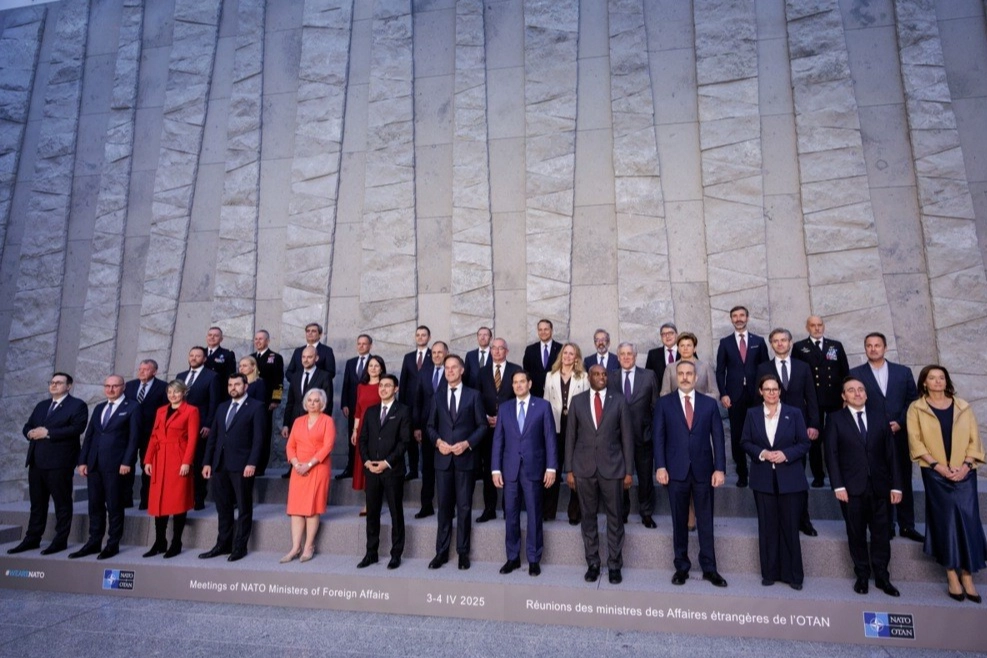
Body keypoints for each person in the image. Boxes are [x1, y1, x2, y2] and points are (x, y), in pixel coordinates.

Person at [907, 365, 986, 603]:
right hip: (935, 473)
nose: (938, 381)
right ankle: (952, 574)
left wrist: (965, 466)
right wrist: (939, 467)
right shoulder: (916, 408)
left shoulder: (963, 406)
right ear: (924, 382)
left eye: (941, 377)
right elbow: (916, 442)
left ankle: (967, 576)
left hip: (965, 472)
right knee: (946, 521)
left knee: (969, 520)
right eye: (932, 378)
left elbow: (974, 439)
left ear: (946, 381)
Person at [825, 377, 902, 597]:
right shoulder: (835, 419)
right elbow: (831, 454)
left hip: (880, 486)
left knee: (881, 534)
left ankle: (882, 576)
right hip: (851, 488)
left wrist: (896, 486)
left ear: (866, 394)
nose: (857, 393)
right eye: (851, 390)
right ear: (844, 396)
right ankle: (862, 575)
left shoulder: (880, 417)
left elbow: (892, 453)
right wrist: (838, 485)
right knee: (856, 533)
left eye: (861, 389)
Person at [654, 360, 728, 588]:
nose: (685, 377)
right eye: (681, 374)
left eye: (689, 374)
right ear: (676, 377)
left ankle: (710, 568)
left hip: (704, 471)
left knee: (706, 521)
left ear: (696, 378)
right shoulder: (664, 403)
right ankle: (681, 567)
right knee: (679, 522)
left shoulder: (709, 404)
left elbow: (718, 438)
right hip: (675, 471)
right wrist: (660, 466)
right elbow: (659, 437)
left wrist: (720, 468)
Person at [849, 332, 923, 542]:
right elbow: (853, 402)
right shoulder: (856, 374)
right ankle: (886, 525)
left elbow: (913, 402)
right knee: (880, 481)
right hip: (873, 438)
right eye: (869, 346)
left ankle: (907, 525)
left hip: (899, 435)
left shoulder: (903, 372)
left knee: (903, 479)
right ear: (865, 348)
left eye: (877, 345)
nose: (873, 349)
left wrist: (900, 422)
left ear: (885, 348)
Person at [740, 374, 810, 590]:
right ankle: (769, 573)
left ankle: (794, 576)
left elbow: (804, 443)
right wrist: (762, 453)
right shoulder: (752, 414)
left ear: (780, 391)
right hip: (763, 479)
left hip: (790, 478)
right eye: (767, 389)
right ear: (760, 392)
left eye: (775, 389)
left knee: (790, 527)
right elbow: (745, 442)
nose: (771, 392)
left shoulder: (794, 413)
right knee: (767, 527)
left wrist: (785, 454)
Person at [565, 364, 633, 584]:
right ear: (589, 377)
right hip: (583, 469)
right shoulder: (577, 401)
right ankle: (593, 563)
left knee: (615, 518)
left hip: (613, 468)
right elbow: (570, 437)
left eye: (604, 374)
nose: (601, 377)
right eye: (596, 374)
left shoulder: (619, 400)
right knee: (588, 517)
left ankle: (614, 565)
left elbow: (627, 438)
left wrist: (628, 471)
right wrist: (569, 470)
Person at [7, 373, 88, 556]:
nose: (54, 385)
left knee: (62, 503)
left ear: (69, 386)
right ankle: (32, 538)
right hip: (36, 461)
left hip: (59, 463)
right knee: (37, 504)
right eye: (52, 382)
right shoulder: (42, 405)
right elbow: (28, 425)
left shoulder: (77, 405)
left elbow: (77, 428)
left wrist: (48, 432)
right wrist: (29, 433)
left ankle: (60, 541)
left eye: (58, 382)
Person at [756, 328, 820, 537]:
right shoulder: (763, 368)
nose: (780, 344)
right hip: (772, 432)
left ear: (790, 342)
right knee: (774, 480)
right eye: (776, 341)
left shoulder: (802, 367)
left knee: (798, 478)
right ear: (771, 344)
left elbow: (811, 397)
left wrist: (813, 424)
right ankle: (779, 520)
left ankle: (803, 519)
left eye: (784, 340)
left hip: (797, 431)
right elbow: (757, 401)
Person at [493, 371, 557, 576]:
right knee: (511, 514)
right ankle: (512, 557)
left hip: (534, 469)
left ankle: (534, 559)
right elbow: (498, 440)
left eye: (522, 382)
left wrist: (551, 467)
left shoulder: (542, 406)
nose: (518, 385)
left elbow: (550, 439)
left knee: (534, 514)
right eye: (515, 382)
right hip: (510, 469)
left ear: (529, 384)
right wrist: (495, 469)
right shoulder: (505, 408)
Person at [426, 354, 486, 570]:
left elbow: (482, 426)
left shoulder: (474, 395)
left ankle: (462, 552)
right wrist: (438, 442)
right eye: (447, 368)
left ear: (462, 370)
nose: (450, 371)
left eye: (454, 367)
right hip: (443, 460)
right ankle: (441, 552)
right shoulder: (437, 396)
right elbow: (430, 426)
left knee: (464, 507)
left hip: (465, 460)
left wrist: (467, 443)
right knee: (443, 508)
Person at [70, 375, 140, 560]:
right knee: (94, 505)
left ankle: (112, 544)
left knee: (114, 505)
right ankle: (94, 542)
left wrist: (127, 462)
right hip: (94, 464)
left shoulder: (132, 407)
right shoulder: (100, 407)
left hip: (116, 465)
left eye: (115, 386)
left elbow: (134, 439)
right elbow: (90, 436)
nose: (110, 389)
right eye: (107, 386)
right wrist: (82, 461)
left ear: (123, 387)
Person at [200, 374, 265, 562]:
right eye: (230, 385)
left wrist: (252, 463)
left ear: (246, 386)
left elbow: (259, 439)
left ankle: (239, 547)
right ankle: (223, 544)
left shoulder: (256, 407)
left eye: (237, 384)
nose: (233, 388)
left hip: (242, 465)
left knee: (243, 507)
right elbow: (213, 437)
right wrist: (207, 462)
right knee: (223, 507)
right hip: (220, 465)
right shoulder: (222, 407)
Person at [358, 375, 411, 570]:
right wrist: (367, 462)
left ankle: (396, 554)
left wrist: (386, 463)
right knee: (372, 513)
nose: (383, 388)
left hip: (392, 471)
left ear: (396, 389)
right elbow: (363, 439)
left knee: (396, 513)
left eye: (388, 385)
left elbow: (404, 442)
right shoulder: (371, 411)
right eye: (381, 385)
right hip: (371, 470)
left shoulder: (403, 411)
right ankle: (371, 553)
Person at [142, 380, 199, 558]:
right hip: (160, 459)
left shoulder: (191, 411)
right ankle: (160, 541)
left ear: (184, 393)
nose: (172, 395)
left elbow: (193, 439)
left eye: (176, 392)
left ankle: (176, 542)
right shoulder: (161, 410)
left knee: (177, 501)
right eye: (169, 392)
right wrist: (148, 460)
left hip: (178, 458)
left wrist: (186, 462)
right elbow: (154, 436)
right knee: (158, 501)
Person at [792, 315, 849, 487]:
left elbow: (845, 373)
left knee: (836, 438)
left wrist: (846, 397)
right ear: (807, 327)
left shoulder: (835, 346)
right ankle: (818, 475)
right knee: (814, 439)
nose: (817, 328)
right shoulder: (800, 347)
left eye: (819, 325)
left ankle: (837, 476)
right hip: (812, 401)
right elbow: (797, 374)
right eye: (813, 325)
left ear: (824, 326)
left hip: (834, 400)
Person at [607, 342, 659, 527]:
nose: (626, 357)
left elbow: (655, 406)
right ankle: (622, 512)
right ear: (618, 357)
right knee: (620, 477)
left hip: (643, 437)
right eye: (622, 354)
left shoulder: (649, 376)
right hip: (617, 439)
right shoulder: (610, 377)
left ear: (635, 356)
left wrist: (653, 432)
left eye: (629, 353)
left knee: (645, 478)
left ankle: (646, 513)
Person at [716, 305, 769, 488]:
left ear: (747, 318)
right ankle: (742, 474)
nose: (738, 319)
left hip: (756, 396)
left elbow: (765, 369)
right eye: (735, 316)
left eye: (741, 315)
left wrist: (765, 393)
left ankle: (759, 471)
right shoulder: (725, 342)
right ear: (731, 319)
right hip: (735, 396)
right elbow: (720, 371)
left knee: (759, 434)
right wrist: (724, 394)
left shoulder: (758, 341)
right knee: (737, 436)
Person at [282, 388, 336, 563]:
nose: (312, 403)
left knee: (312, 508)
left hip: (317, 468)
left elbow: (327, 446)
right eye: (310, 400)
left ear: (322, 404)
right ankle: (295, 547)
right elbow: (290, 446)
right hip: (298, 468)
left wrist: (309, 464)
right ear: (305, 403)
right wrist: (296, 464)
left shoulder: (327, 421)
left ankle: (309, 546)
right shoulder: (298, 421)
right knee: (296, 509)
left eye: (316, 400)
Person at [476, 337, 521, 523]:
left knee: (509, 467)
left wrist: (503, 418)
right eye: (493, 348)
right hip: (487, 428)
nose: (496, 351)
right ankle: (489, 508)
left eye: (501, 348)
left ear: (506, 351)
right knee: (489, 468)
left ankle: (508, 507)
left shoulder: (515, 370)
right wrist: (485, 417)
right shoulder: (482, 372)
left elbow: (520, 397)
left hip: (510, 427)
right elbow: (477, 398)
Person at [544, 342, 590, 525]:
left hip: (576, 427)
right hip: (555, 425)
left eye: (572, 354)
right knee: (553, 467)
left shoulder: (583, 377)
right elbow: (546, 402)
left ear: (576, 357)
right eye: (565, 353)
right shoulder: (550, 376)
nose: (568, 356)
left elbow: (586, 404)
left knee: (575, 469)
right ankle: (548, 511)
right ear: (561, 356)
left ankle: (574, 512)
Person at [176, 346, 219, 510]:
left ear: (204, 359)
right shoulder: (181, 376)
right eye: (191, 355)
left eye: (198, 356)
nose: (194, 358)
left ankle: (199, 497)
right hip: (180, 426)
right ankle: (182, 496)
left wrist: (208, 424)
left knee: (199, 460)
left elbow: (213, 402)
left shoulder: (212, 376)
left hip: (200, 425)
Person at [124, 359, 168, 510]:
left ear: (154, 371)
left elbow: (165, 411)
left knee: (147, 466)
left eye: (146, 369)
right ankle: (126, 499)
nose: (141, 372)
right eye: (140, 369)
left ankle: (146, 500)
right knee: (127, 464)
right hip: (129, 433)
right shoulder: (130, 386)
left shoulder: (163, 387)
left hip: (150, 434)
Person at [281, 346, 331, 477]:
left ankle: (310, 466)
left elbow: (327, 402)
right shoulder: (295, 376)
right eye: (303, 357)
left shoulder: (324, 376)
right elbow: (290, 401)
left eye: (309, 357)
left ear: (316, 358)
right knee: (295, 444)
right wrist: (286, 424)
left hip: (316, 420)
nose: (306, 360)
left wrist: (323, 423)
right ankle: (294, 468)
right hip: (296, 419)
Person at [412, 341, 447, 518]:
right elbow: (417, 400)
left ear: (446, 353)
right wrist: (417, 426)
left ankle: (447, 507)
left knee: (446, 469)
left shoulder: (452, 371)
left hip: (446, 428)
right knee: (427, 468)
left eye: (440, 352)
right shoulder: (424, 372)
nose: (437, 355)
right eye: (434, 352)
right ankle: (426, 506)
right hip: (426, 428)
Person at [350, 355, 387, 507]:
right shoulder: (361, 386)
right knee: (364, 464)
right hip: (362, 431)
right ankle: (368, 501)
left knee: (375, 463)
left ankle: (374, 501)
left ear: (381, 369)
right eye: (370, 365)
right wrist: (355, 430)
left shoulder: (384, 385)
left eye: (376, 366)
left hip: (378, 430)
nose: (373, 368)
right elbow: (358, 410)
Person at [399, 325, 432, 481]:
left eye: (423, 335)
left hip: (428, 404)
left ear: (429, 337)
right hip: (410, 404)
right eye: (418, 335)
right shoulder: (408, 357)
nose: (420, 337)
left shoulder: (434, 355)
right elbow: (403, 381)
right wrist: (401, 405)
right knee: (411, 438)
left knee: (427, 438)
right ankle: (412, 469)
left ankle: (427, 469)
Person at [250, 329, 284, 476]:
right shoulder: (250, 358)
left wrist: (276, 399)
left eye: (261, 339)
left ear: (268, 341)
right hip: (250, 400)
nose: (258, 341)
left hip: (265, 402)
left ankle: (260, 466)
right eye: (256, 339)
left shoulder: (275, 357)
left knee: (263, 433)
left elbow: (279, 380)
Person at [341, 334, 374, 478]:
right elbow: (346, 384)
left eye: (364, 344)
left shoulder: (374, 362)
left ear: (370, 345)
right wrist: (344, 404)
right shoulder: (350, 362)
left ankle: (367, 468)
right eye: (359, 343)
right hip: (353, 407)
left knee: (369, 438)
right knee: (353, 438)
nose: (361, 346)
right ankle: (351, 468)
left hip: (369, 407)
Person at [285, 322, 336, 412]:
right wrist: (297, 381)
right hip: (298, 399)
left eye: (313, 331)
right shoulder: (298, 351)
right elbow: (289, 372)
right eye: (308, 331)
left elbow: (330, 372)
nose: (310, 333)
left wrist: (314, 383)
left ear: (320, 334)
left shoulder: (327, 350)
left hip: (317, 398)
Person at [659, 332, 715, 396]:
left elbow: (715, 393)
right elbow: (664, 393)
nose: (685, 348)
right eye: (682, 345)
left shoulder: (705, 367)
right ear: (678, 349)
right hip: (676, 402)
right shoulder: (670, 368)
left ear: (694, 348)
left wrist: (701, 399)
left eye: (689, 345)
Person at [523, 318, 562, 399]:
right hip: (535, 394)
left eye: (546, 329)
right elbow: (526, 372)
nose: (543, 332)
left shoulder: (561, 349)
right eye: (540, 330)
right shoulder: (530, 349)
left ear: (551, 330)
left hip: (556, 394)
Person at [204, 326, 237, 399]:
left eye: (216, 336)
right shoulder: (200, 352)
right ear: (206, 337)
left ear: (221, 339)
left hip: (219, 392)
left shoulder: (228, 354)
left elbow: (230, 376)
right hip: (202, 391)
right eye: (210, 335)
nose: (212, 337)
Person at [645, 322, 680, 391]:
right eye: (664, 334)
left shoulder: (686, 351)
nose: (667, 336)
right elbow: (648, 378)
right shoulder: (653, 354)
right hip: (660, 394)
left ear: (676, 335)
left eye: (670, 333)